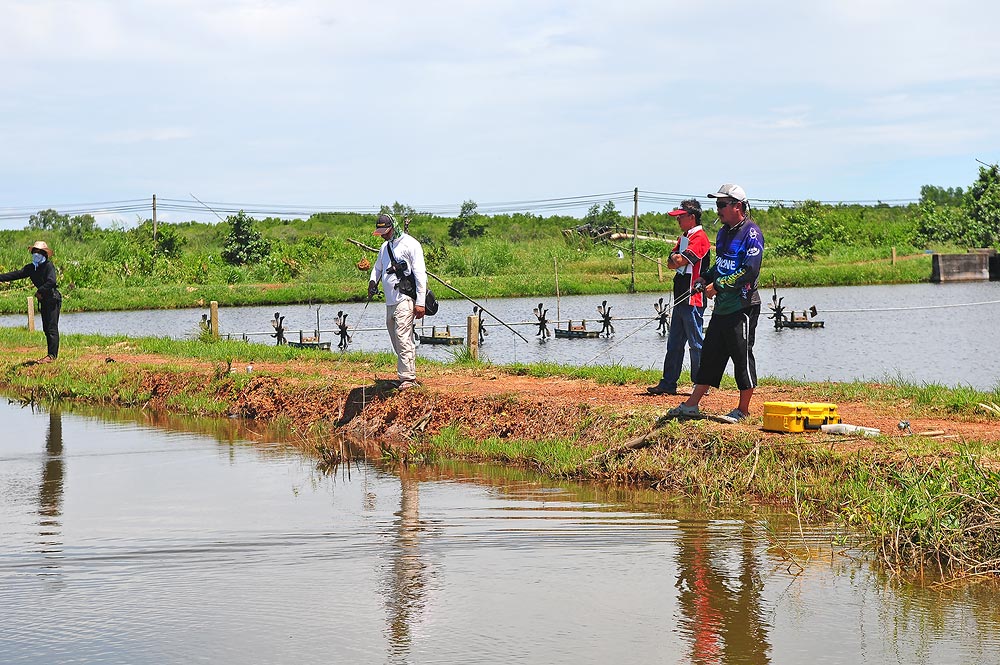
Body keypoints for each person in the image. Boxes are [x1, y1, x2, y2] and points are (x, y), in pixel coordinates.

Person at [667, 184, 763, 422]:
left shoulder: (751, 233)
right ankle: (692, 404)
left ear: (737, 206)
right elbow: (720, 266)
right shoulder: (722, 233)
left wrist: (718, 286)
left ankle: (743, 410)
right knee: (710, 354)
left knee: (741, 356)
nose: (717, 209)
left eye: (722, 204)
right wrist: (706, 277)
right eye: (717, 204)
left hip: (743, 305)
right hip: (722, 306)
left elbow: (749, 271)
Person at [648, 199, 711, 395]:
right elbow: (670, 262)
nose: (678, 221)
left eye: (681, 217)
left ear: (691, 217)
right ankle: (668, 383)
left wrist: (676, 258)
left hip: (693, 298)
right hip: (680, 298)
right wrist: (675, 258)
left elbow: (679, 259)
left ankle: (700, 384)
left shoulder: (700, 238)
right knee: (674, 343)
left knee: (696, 343)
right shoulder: (685, 237)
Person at [368, 213, 428, 390]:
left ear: (393, 227)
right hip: (390, 302)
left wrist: (421, 302)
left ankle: (408, 378)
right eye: (381, 232)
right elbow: (377, 268)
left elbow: (420, 275)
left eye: (386, 231)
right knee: (396, 338)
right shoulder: (384, 247)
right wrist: (372, 282)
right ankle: (406, 372)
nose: (384, 235)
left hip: (405, 299)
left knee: (403, 337)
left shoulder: (411, 245)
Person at [0, 241, 62, 363]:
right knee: (46, 328)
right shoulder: (31, 268)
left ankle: (52, 356)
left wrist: (40, 291)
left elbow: (52, 282)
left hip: (53, 299)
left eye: (39, 252)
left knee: (51, 328)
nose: (36, 254)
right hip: (44, 300)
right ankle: (50, 355)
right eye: (35, 252)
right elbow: (16, 274)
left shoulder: (48, 266)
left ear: (44, 254)